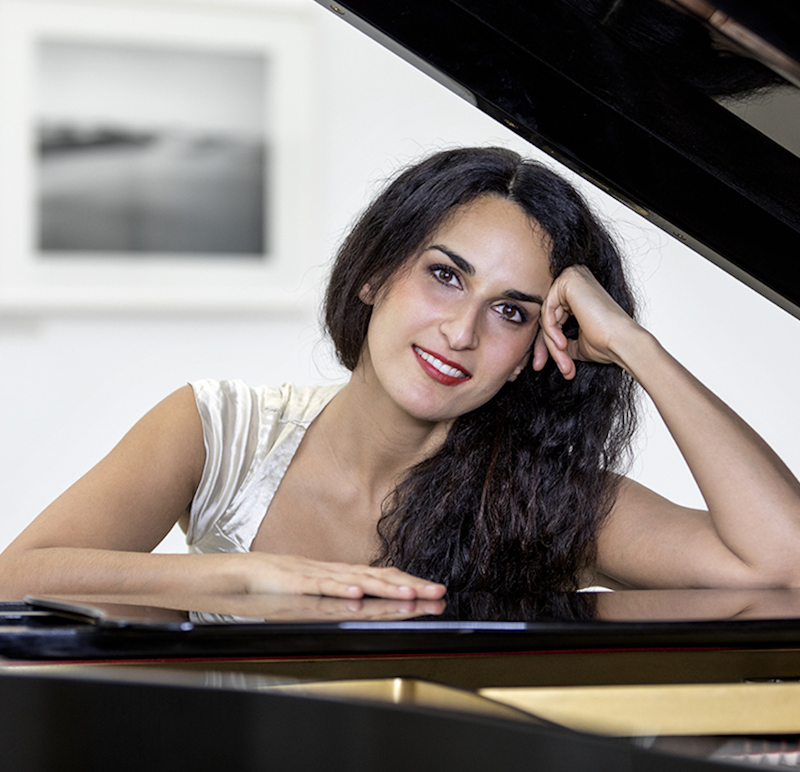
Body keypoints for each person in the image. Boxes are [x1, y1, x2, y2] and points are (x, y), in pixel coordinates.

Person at [1, 146, 799, 601]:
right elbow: (18, 581)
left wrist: (633, 345)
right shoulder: (218, 428)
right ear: (375, 274)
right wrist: (250, 578)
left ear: (537, 349)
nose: (461, 330)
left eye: (513, 311)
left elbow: (783, 565)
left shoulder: (545, 498)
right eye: (445, 275)